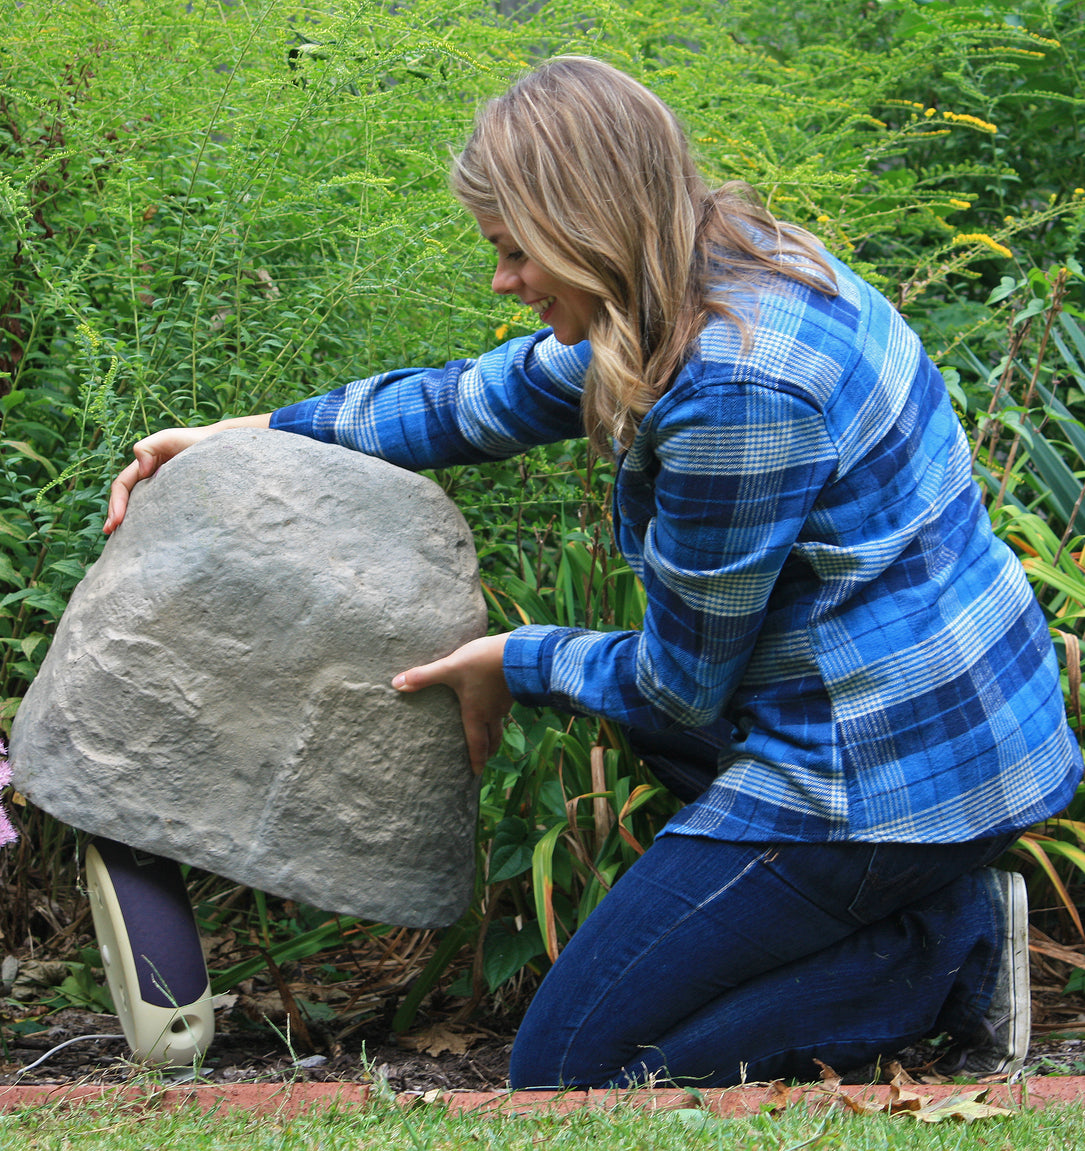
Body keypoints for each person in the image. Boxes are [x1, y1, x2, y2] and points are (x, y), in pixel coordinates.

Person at [102, 57, 1084, 1088]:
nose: (501, 281)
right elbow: (476, 402)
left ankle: (948, 954)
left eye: (514, 251)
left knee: (573, 1062)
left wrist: (512, 656)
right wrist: (241, 435)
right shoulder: (728, 267)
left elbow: (678, 684)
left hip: (884, 771)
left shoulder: (735, 388)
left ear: (585, 227)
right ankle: (917, 906)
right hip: (934, 708)